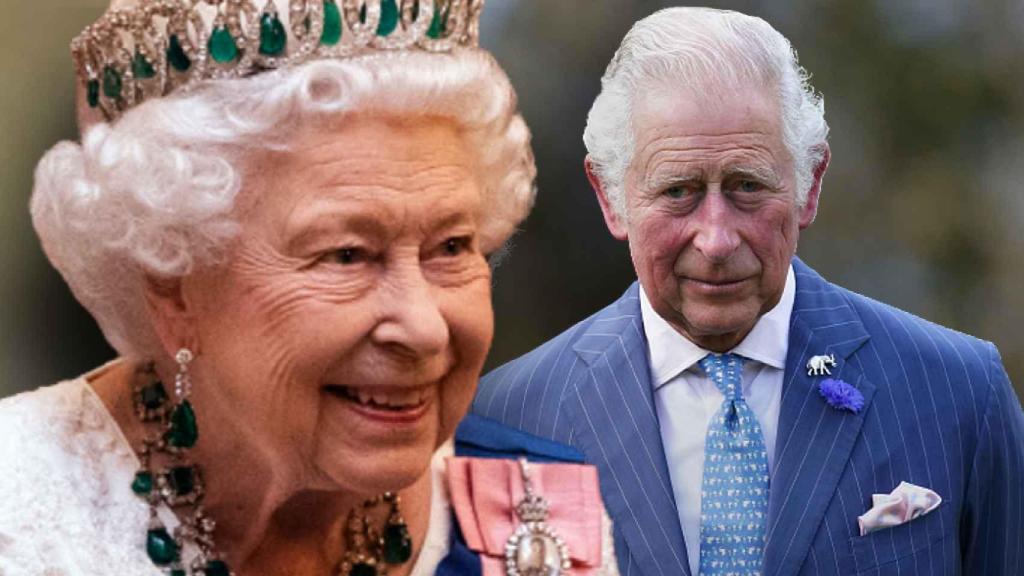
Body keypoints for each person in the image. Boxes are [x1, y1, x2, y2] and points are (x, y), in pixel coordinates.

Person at [0, 1, 619, 574]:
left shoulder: (543, 522)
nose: (425, 327)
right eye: (346, 255)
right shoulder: (18, 512)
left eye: (452, 247)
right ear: (174, 287)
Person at [473, 7, 1024, 576]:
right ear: (611, 198)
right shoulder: (505, 421)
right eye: (679, 191)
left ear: (809, 184)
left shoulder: (957, 394)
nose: (716, 239)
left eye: (747, 187)